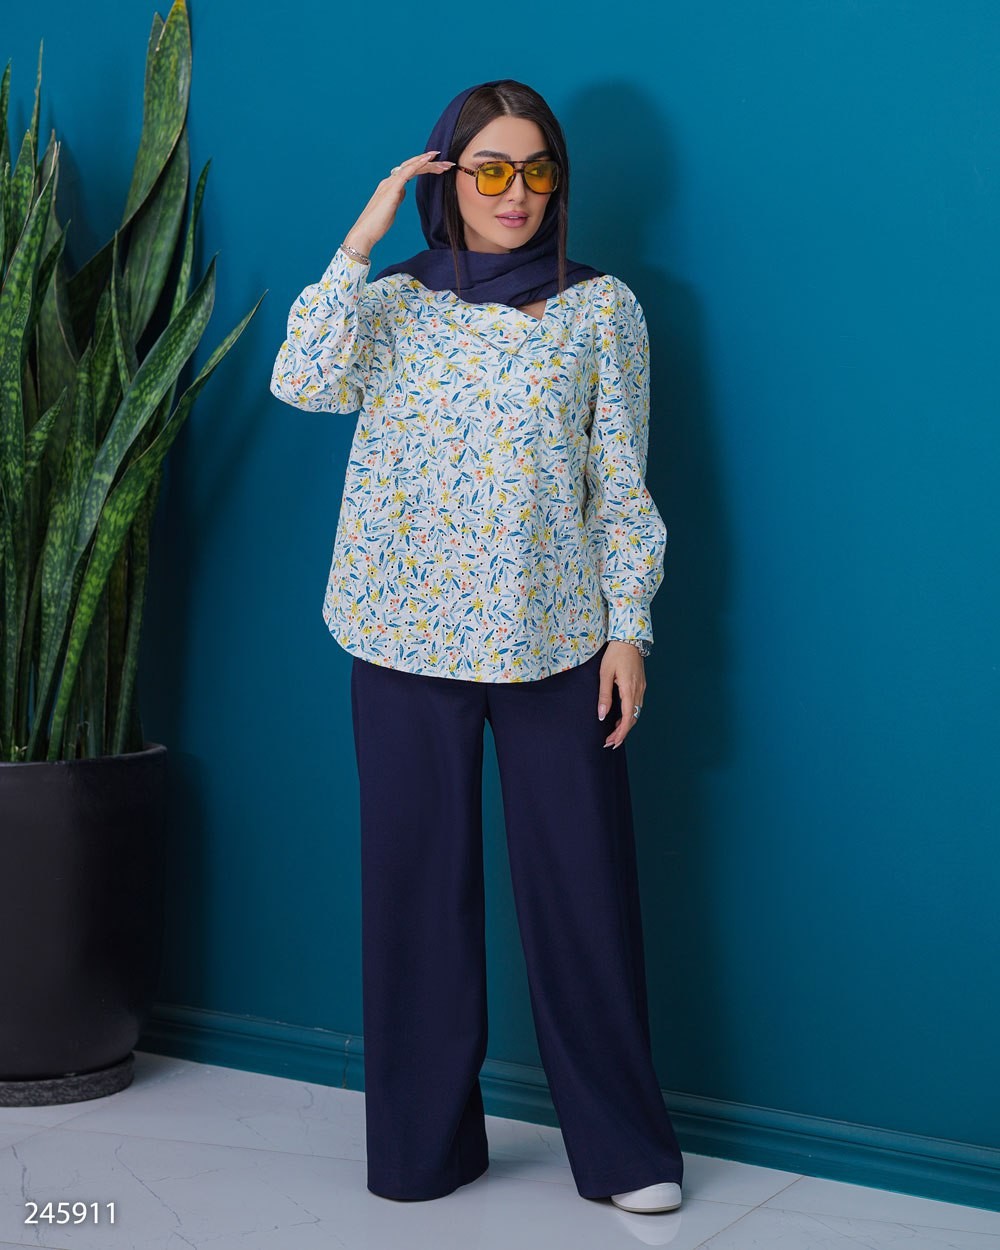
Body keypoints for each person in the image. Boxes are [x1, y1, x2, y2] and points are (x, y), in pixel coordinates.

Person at [270, 79, 684, 1215]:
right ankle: (422, 1148)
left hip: (557, 638)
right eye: (491, 169)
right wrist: (360, 240)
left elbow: (620, 483)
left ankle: (625, 1151)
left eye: (537, 170)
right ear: (446, 179)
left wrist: (629, 628)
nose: (516, 193)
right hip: (402, 634)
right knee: (415, 896)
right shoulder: (393, 303)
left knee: (584, 896)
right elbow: (302, 382)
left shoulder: (602, 309)